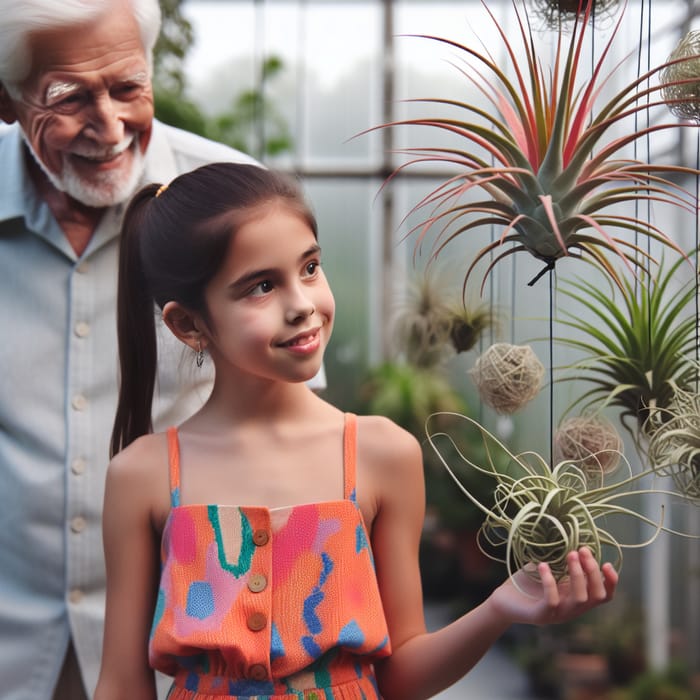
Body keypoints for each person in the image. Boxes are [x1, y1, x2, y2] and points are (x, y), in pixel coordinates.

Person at [94, 162, 619, 700]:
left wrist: (500, 609)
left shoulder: (383, 453)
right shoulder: (142, 475)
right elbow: (120, 684)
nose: (301, 305)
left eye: (310, 268)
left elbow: (402, 673)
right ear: (189, 324)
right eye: (260, 287)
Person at [0, 2, 321, 698]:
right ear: (6, 100)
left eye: (128, 88)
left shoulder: (230, 202)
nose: (111, 127)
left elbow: (296, 430)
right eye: (70, 98)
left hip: (206, 653)